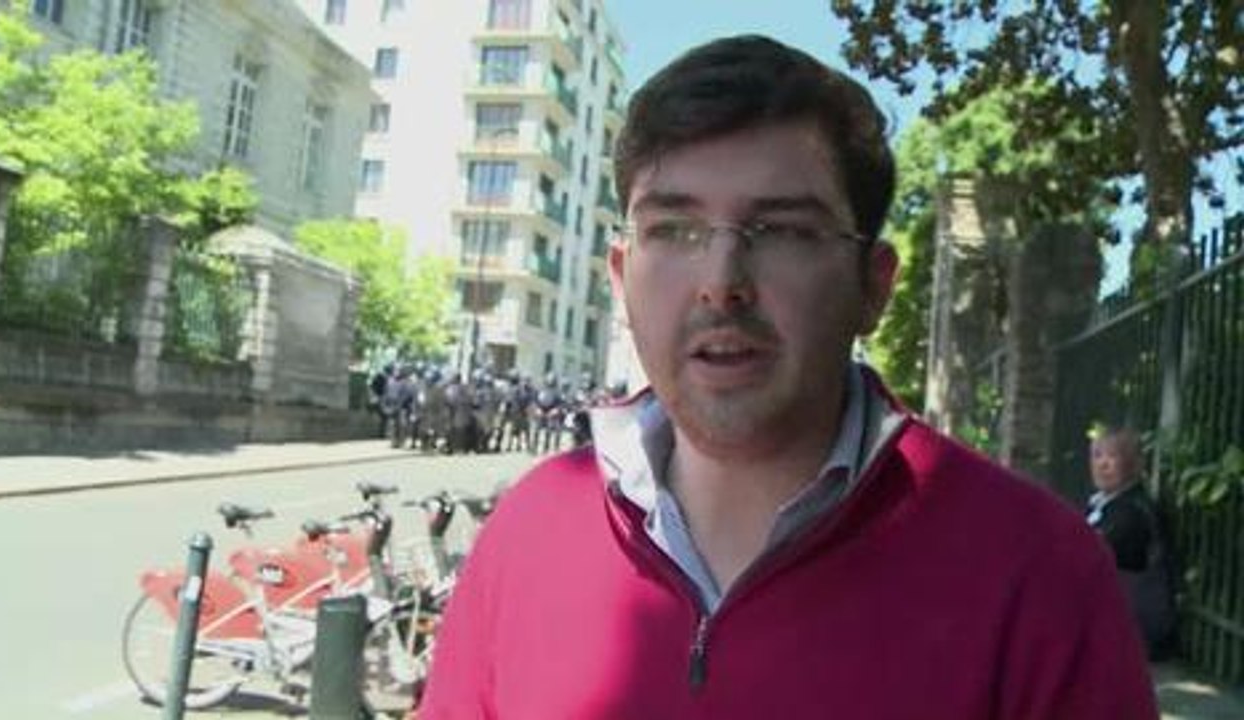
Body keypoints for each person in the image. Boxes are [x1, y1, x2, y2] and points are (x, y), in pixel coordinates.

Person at [420, 35, 1156, 719]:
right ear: (621, 275)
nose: (721, 283)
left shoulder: (1041, 575)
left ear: (873, 286)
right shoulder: (526, 533)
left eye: (783, 232)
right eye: (673, 230)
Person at [1086, 426, 1177, 659]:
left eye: (1112, 456)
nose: (1102, 464)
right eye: (1097, 455)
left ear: (1134, 464)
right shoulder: (1102, 504)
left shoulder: (1133, 512)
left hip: (1135, 631)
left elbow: (1087, 560)